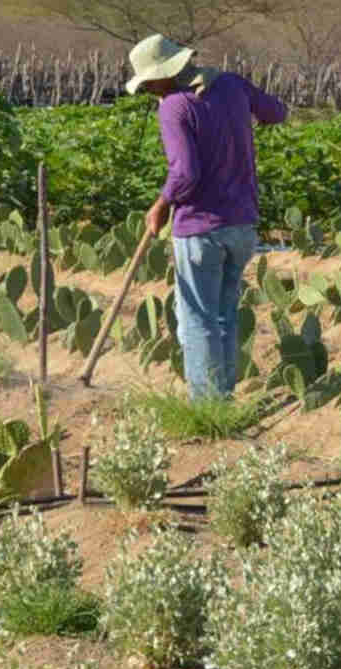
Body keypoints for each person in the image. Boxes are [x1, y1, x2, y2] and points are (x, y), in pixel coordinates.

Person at [125, 33, 288, 401]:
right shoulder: (231, 84)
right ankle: (224, 399)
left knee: (198, 321)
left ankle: (205, 406)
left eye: (150, 82)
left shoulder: (174, 106)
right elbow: (277, 112)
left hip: (200, 229)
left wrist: (161, 204)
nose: (150, 89)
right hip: (243, 226)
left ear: (167, 73)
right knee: (225, 316)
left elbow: (185, 173)